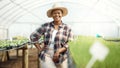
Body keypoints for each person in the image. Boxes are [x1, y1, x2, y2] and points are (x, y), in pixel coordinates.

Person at [30, 3, 73, 68]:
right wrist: (40, 49)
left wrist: (58, 51)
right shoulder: (46, 26)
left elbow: (70, 42)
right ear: (52, 15)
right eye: (54, 13)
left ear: (62, 15)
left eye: (59, 13)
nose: (57, 15)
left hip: (62, 56)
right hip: (46, 55)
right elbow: (33, 36)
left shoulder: (67, 28)